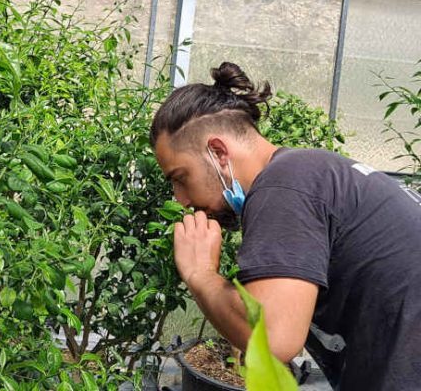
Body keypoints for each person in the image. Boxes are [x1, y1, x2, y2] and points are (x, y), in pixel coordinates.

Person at [149, 61, 421, 391]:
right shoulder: (308, 172)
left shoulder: (283, 186)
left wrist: (200, 274)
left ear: (219, 152)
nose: (181, 199)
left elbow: (275, 337)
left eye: (180, 178)